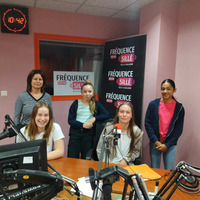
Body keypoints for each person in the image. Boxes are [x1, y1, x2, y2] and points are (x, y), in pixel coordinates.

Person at [145, 79, 185, 170]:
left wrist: (167, 145)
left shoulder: (179, 108)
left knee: (169, 171)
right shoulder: (153, 104)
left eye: (168, 89)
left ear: (174, 90)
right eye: (163, 89)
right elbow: (147, 123)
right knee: (155, 170)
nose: (165, 91)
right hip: (155, 143)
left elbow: (178, 129)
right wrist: (155, 141)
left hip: (170, 145)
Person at [67, 80, 110, 159]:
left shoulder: (96, 104)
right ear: (81, 93)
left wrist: (94, 118)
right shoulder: (76, 103)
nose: (87, 94)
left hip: (88, 134)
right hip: (75, 133)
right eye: (85, 92)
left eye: (90, 91)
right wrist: (82, 125)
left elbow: (106, 114)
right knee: (72, 156)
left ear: (93, 93)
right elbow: (70, 120)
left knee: (86, 157)